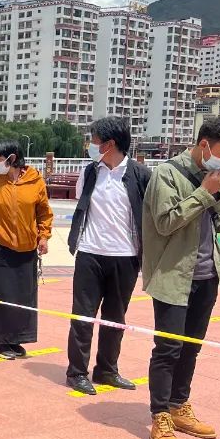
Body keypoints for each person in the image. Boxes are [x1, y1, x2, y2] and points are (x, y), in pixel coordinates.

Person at [143, 117, 220, 439]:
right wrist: (203, 192)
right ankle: (160, 415)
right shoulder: (167, 174)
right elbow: (165, 223)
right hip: (173, 276)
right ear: (204, 144)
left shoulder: (217, 177)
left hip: (208, 276)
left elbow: (217, 219)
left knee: (191, 347)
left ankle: (179, 405)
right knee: (168, 348)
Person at [66, 117, 151, 395]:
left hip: (125, 257)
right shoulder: (90, 172)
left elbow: (150, 213)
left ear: (109, 144)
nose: (90, 145)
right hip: (90, 254)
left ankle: (106, 370)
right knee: (83, 317)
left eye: (93, 140)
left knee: (115, 318)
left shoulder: (141, 175)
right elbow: (82, 206)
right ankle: (77, 372)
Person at [0, 141, 53, 361]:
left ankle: (16, 339)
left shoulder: (35, 181)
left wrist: (44, 236)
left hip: (27, 249)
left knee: (23, 297)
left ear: (12, 158)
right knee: (0, 295)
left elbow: (44, 213)